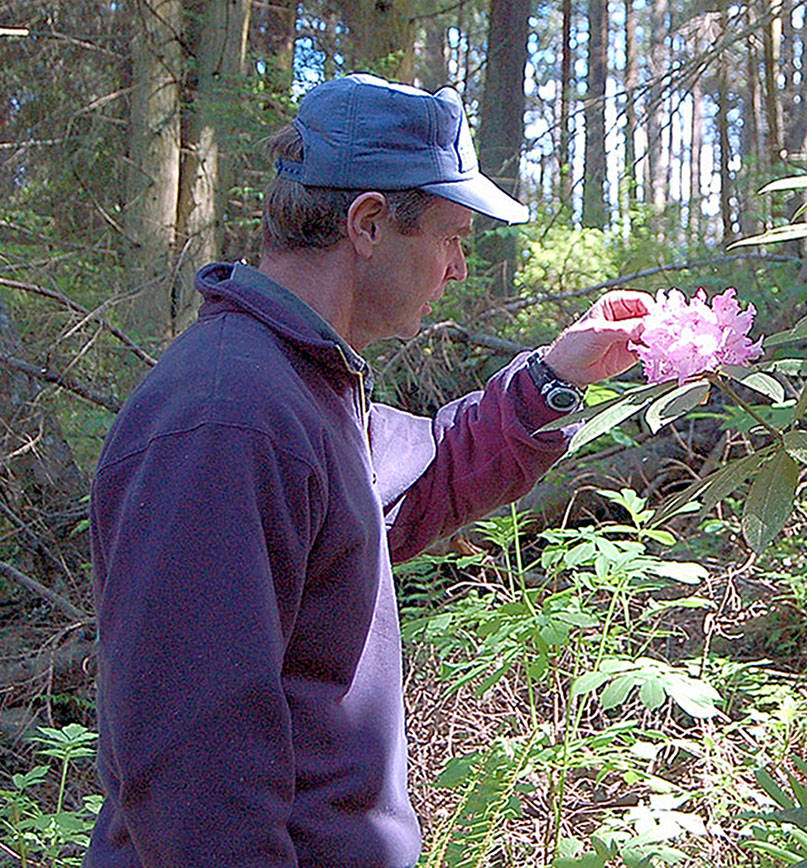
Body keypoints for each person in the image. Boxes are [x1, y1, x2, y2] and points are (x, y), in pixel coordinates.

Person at [85, 74, 650, 867]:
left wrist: (555, 378)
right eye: (452, 236)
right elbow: (193, 781)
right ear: (370, 224)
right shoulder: (226, 420)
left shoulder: (300, 385)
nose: (458, 268)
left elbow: (419, 478)